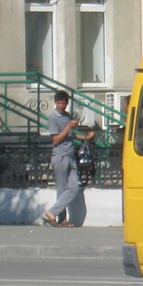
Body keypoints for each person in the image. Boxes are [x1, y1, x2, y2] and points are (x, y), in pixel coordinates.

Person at [42, 90, 95, 227]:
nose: (61, 106)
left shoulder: (67, 116)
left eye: (64, 103)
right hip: (60, 156)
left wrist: (85, 137)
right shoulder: (53, 119)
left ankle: (52, 212)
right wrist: (68, 127)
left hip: (71, 155)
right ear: (55, 102)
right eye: (59, 103)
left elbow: (70, 135)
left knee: (75, 186)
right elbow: (56, 139)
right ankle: (60, 219)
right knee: (61, 188)